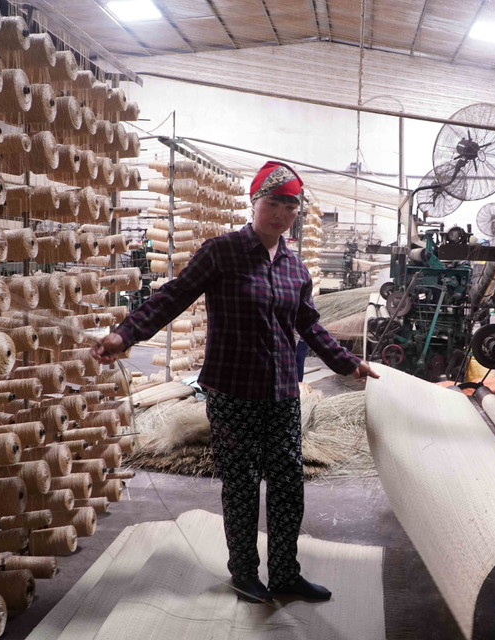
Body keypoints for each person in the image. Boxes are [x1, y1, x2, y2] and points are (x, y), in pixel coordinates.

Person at [92, 160, 378, 604]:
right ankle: (244, 573)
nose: (282, 214)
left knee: (288, 485)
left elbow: (309, 324)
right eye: (274, 203)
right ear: (255, 202)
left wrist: (347, 364)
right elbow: (173, 296)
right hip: (232, 392)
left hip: (282, 393)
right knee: (242, 484)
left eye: (291, 206)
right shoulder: (221, 253)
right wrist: (124, 334)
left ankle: (285, 574)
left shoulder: (295, 268)